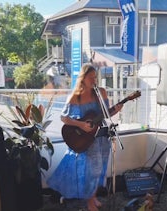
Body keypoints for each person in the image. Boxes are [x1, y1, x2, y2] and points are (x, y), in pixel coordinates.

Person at [47, 63, 123, 211]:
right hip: (86, 140)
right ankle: (89, 202)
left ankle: (93, 198)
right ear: (82, 78)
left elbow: (107, 114)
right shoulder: (76, 96)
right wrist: (80, 125)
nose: (94, 80)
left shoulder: (101, 92)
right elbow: (64, 117)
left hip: (101, 138)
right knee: (91, 171)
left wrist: (117, 109)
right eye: (91, 78)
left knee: (99, 170)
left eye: (95, 77)